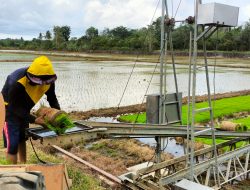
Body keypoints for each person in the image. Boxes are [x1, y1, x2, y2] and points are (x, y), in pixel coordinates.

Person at [1, 55, 60, 164]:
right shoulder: (16, 81)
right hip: (8, 108)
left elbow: (52, 98)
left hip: (24, 107)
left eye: (44, 81)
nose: (42, 85)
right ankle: (12, 172)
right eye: (39, 81)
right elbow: (14, 107)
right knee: (12, 144)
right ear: (32, 76)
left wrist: (58, 115)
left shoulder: (48, 80)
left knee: (22, 138)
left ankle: (23, 166)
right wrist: (34, 120)